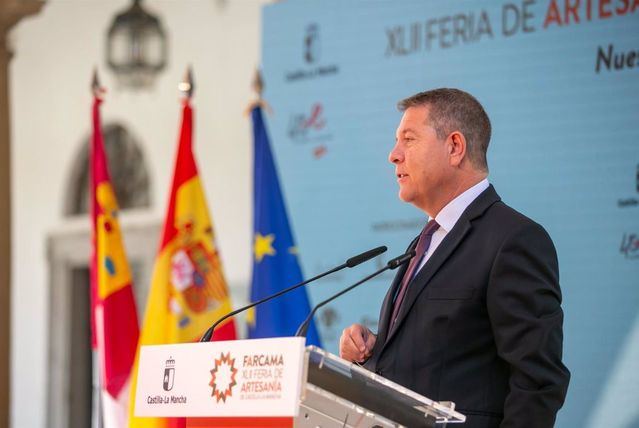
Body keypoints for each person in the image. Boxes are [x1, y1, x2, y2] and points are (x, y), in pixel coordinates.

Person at [339, 88, 570, 428]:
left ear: (455, 147)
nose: (393, 155)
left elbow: (538, 381)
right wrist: (373, 352)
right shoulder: (425, 240)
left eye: (409, 139)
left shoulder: (513, 239)